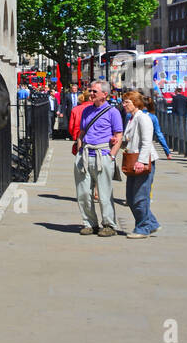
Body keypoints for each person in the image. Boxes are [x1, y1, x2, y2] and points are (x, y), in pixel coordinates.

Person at [73, 80, 123, 237]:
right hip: (86, 155)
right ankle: (90, 223)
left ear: (104, 94)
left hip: (103, 155)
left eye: (94, 91)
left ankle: (108, 224)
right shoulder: (87, 111)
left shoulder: (113, 112)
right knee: (83, 193)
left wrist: (112, 155)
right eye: (90, 91)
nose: (91, 93)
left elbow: (118, 135)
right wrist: (80, 149)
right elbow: (82, 132)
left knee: (104, 193)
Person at [118, 91, 160, 237]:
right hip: (132, 160)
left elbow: (147, 142)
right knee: (130, 197)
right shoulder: (132, 118)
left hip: (142, 161)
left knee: (140, 196)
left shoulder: (143, 118)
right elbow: (130, 138)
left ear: (135, 103)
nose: (124, 105)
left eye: (127, 102)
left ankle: (142, 228)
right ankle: (151, 223)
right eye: (123, 102)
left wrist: (142, 161)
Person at [144, 93, 171, 159]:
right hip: (148, 148)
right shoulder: (152, 117)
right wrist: (167, 152)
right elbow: (159, 135)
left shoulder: (132, 115)